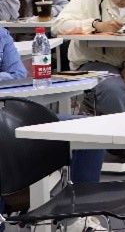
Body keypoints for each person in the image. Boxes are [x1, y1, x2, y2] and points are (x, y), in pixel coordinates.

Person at [0, 26, 106, 228]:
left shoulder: (1, 34)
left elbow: (18, 74)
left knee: (88, 132)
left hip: (14, 116)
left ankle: (78, 218)